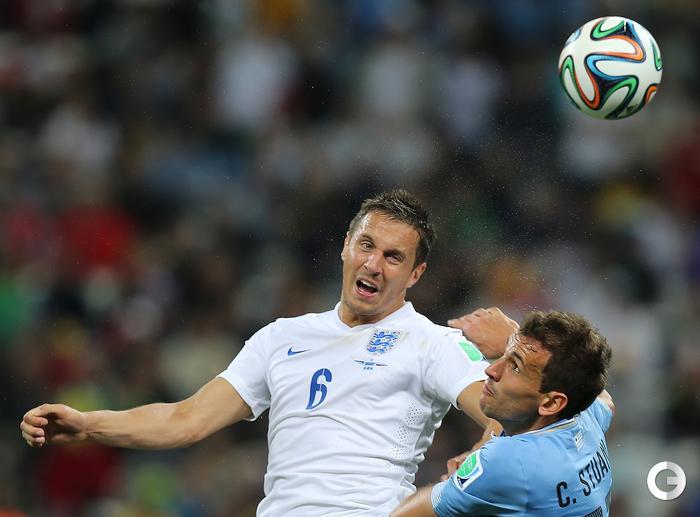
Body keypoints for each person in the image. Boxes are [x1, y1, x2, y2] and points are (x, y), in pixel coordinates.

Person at [21, 190, 499, 516]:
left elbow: (508, 415)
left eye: (394, 257)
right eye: (366, 245)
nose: (374, 264)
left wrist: (476, 460)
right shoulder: (281, 337)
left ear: (416, 274)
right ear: (345, 247)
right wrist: (88, 424)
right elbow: (187, 419)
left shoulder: (432, 343)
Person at [392, 307, 614, 517]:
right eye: (504, 356)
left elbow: (410, 513)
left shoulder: (508, 463)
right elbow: (605, 399)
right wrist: (516, 342)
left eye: (515, 366)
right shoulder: (585, 416)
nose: (491, 370)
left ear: (551, 403)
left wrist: (471, 471)